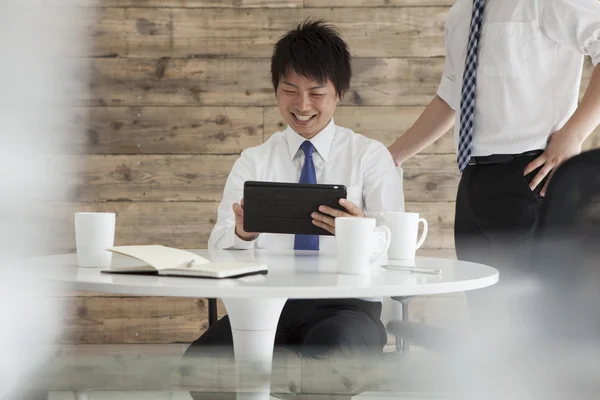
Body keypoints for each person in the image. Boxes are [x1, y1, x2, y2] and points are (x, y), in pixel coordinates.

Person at [184, 19, 404, 359]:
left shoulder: (370, 156)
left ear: (339, 94)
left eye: (316, 93)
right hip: (266, 302)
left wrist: (358, 233)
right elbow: (219, 245)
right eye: (290, 90)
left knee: (331, 357)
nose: (302, 106)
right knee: (202, 363)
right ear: (276, 90)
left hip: (348, 306)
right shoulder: (253, 160)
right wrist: (242, 235)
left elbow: (394, 247)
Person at [388, 0, 600, 283]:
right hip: (472, 183)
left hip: (532, 176)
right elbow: (451, 97)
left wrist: (574, 133)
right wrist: (392, 156)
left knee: (532, 316)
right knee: (484, 315)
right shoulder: (461, 12)